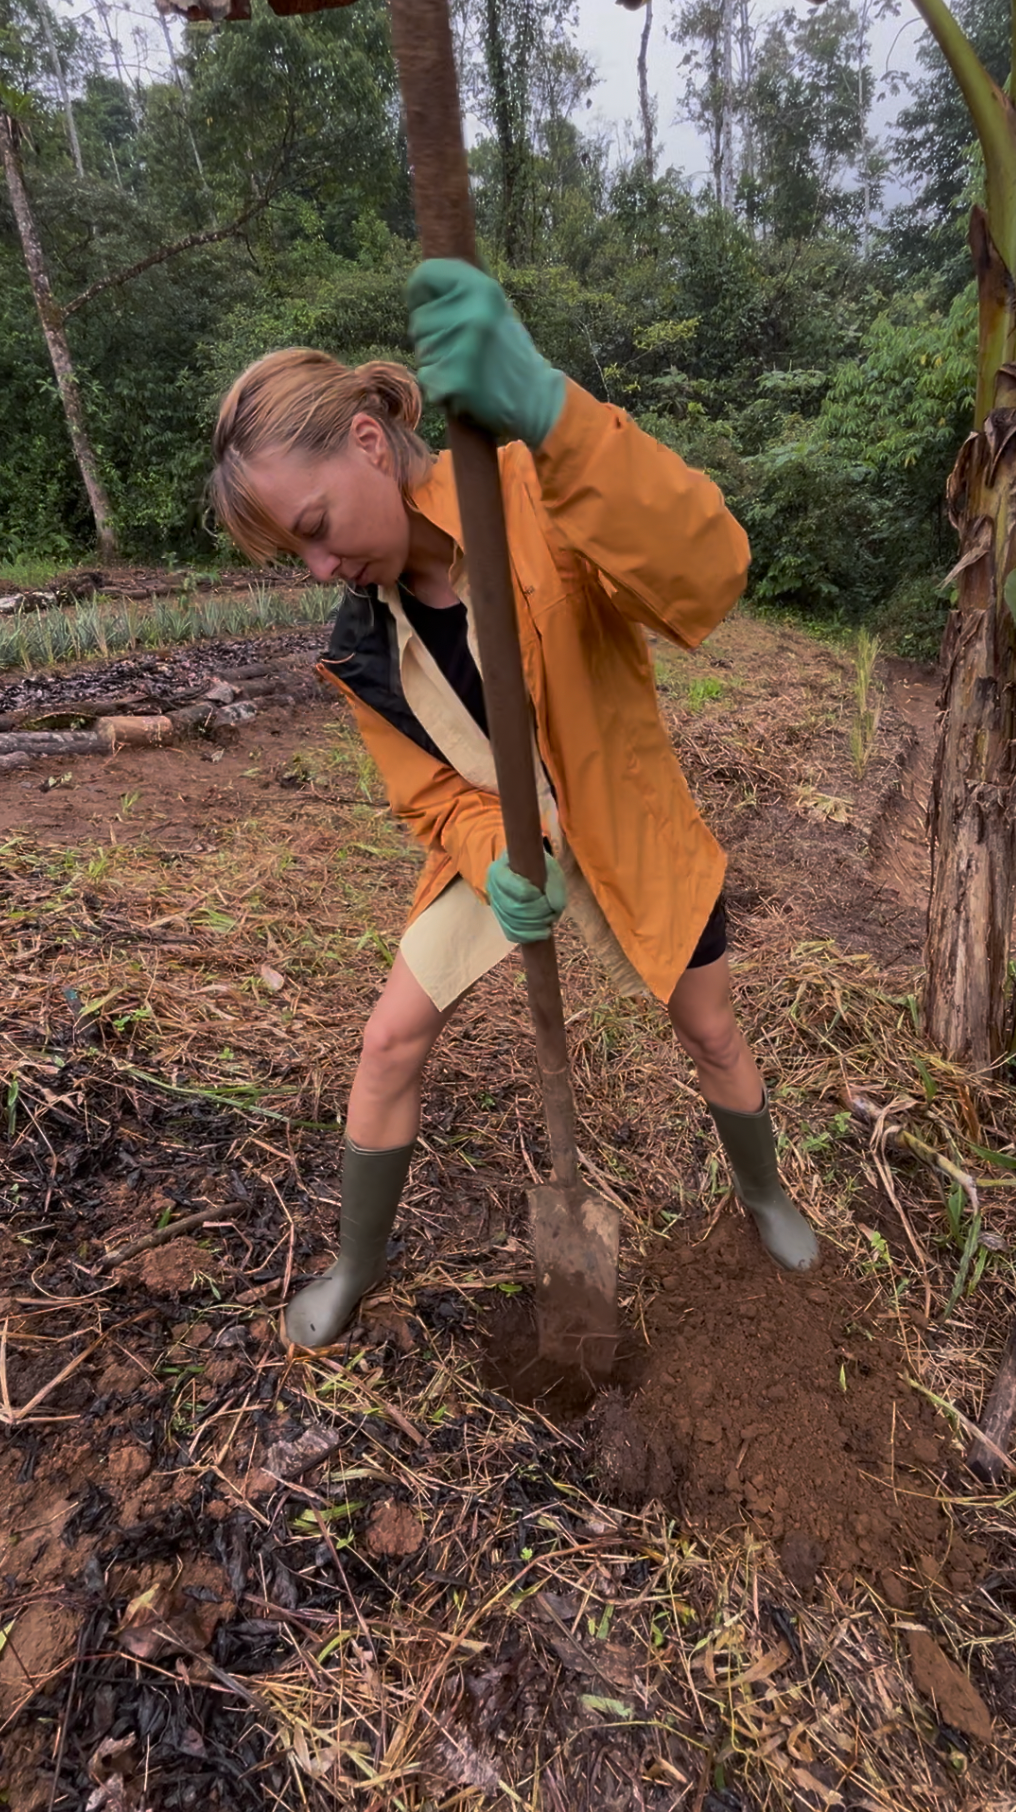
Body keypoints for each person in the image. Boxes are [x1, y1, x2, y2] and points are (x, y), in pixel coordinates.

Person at [210, 260, 819, 1350]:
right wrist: (494, 846)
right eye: (290, 550)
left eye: (311, 525)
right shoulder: (360, 644)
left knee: (711, 1032)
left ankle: (765, 1197)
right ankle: (355, 1265)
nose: (315, 565)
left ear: (364, 440)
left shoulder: (532, 489)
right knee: (389, 1041)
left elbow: (711, 572)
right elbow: (430, 796)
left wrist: (552, 409)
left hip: (622, 819)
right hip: (510, 846)